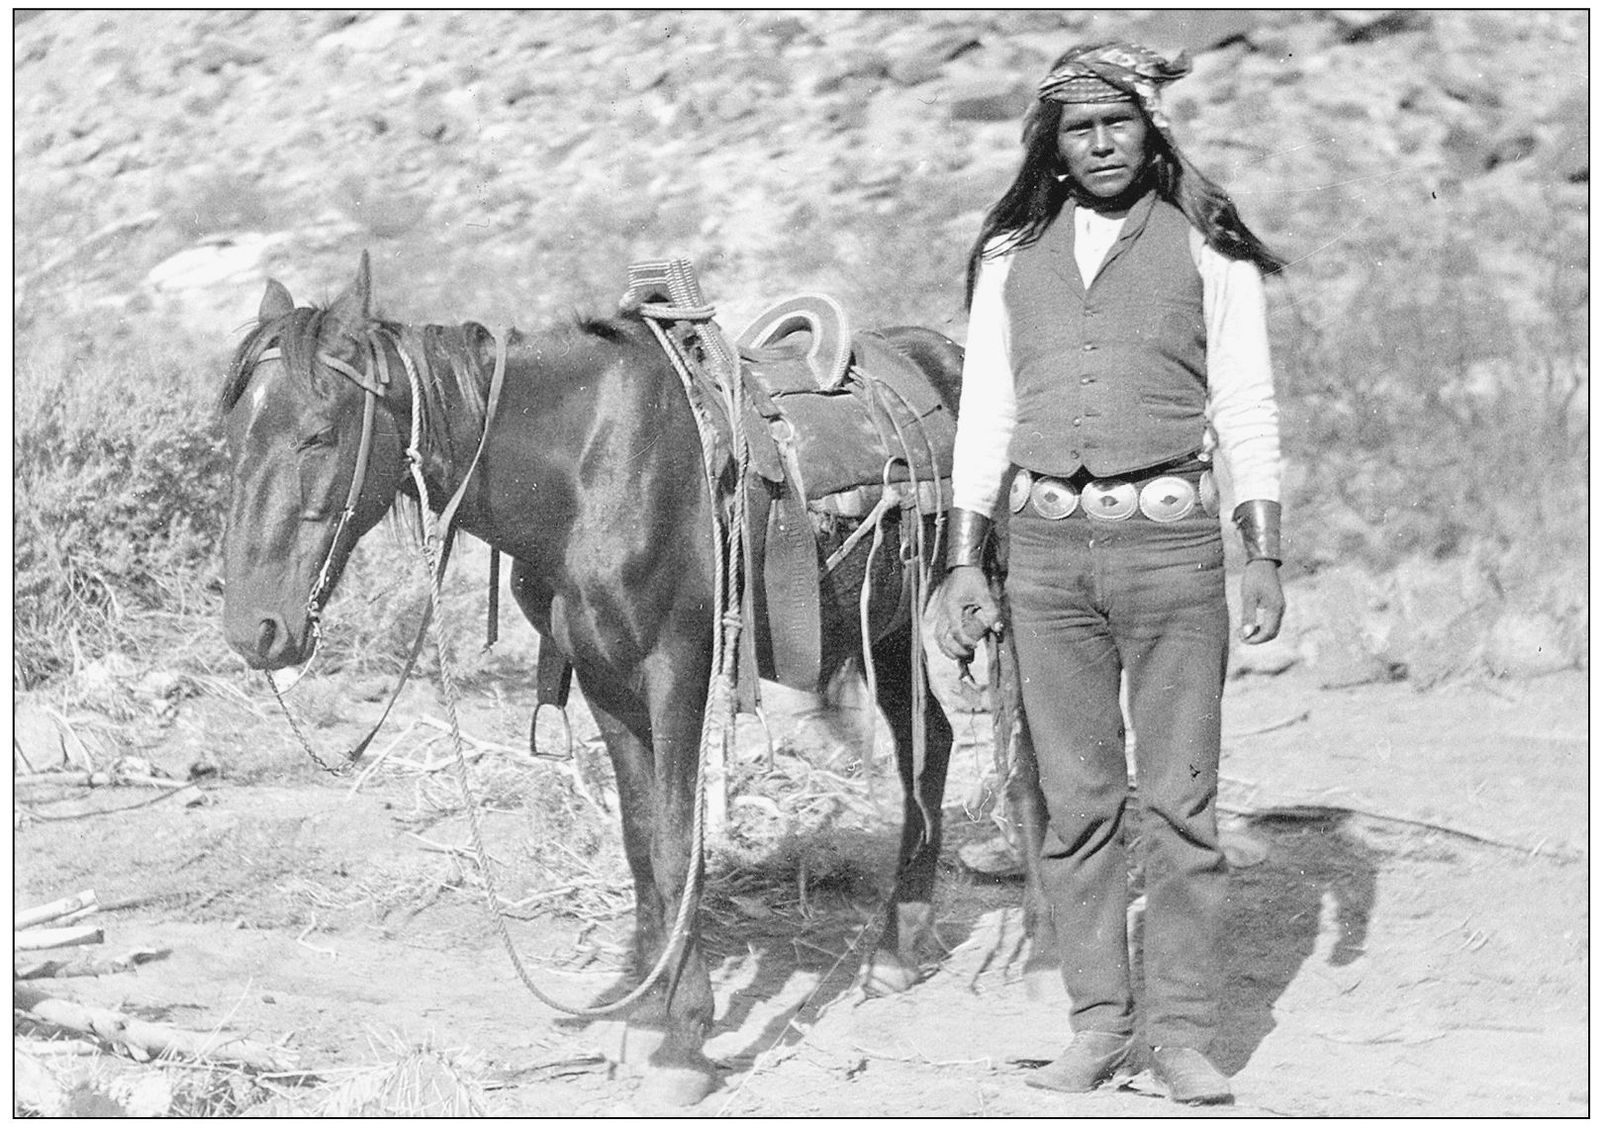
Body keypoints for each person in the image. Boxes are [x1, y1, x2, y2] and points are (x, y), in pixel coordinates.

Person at [935, 41, 1286, 1106]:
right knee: (1074, 805)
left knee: (1181, 804)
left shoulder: (1208, 248)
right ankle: (1096, 1025)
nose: (1099, 144)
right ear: (1052, 139)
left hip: (1173, 552)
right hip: (1042, 559)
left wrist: (1260, 548)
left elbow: (1247, 405)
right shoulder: (1009, 252)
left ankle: (1181, 1033)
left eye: (1117, 125)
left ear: (1148, 130)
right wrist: (964, 559)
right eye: (1078, 128)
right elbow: (988, 416)